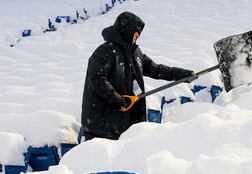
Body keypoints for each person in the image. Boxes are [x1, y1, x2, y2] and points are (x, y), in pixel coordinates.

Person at [81, 11, 196, 141]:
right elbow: (97, 80)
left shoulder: (135, 53)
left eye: (138, 33)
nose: (137, 35)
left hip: (125, 124)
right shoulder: (105, 51)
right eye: (135, 32)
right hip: (102, 127)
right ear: (127, 30)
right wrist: (118, 100)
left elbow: (156, 69)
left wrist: (182, 74)